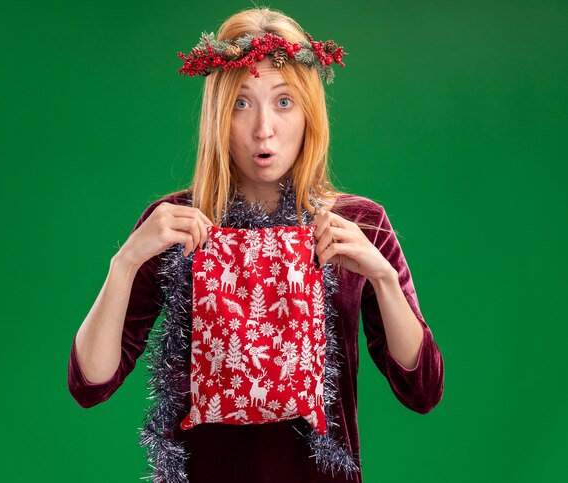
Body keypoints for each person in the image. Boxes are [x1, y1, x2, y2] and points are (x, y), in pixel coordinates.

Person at [67, 7, 444, 483]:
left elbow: (423, 389)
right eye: (242, 103)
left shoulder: (358, 224)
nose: (263, 128)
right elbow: (90, 383)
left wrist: (384, 278)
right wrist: (124, 263)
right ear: (218, 115)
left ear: (309, 111)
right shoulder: (177, 224)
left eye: (283, 102)